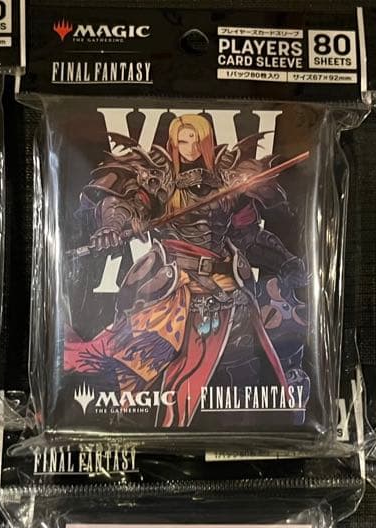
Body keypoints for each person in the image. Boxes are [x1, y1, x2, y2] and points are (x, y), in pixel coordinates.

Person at [65, 114, 308, 427]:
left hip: (228, 289)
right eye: (182, 140)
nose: (189, 146)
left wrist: (286, 261)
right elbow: (125, 204)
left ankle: (266, 425)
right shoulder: (160, 180)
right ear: (173, 143)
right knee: (144, 366)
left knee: (252, 367)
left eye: (196, 139)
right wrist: (113, 226)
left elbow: (249, 236)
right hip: (175, 288)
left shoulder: (229, 181)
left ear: (206, 141)